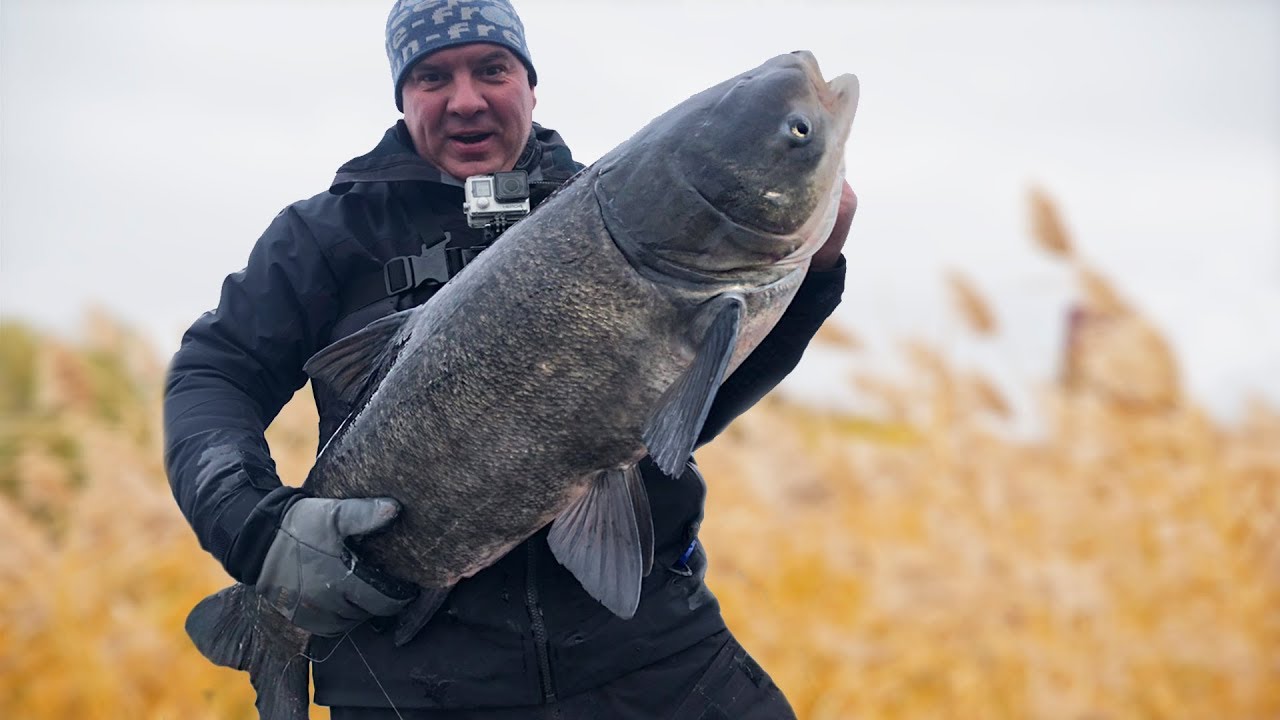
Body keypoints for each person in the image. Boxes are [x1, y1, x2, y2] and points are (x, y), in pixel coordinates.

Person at [164, 0, 857, 717]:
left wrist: (811, 274)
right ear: (402, 95)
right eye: (433, 77)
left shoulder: (635, 206)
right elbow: (214, 374)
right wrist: (255, 524)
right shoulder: (323, 236)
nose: (466, 100)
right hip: (414, 685)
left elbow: (677, 416)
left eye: (491, 69)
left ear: (529, 82)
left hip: (656, 661)